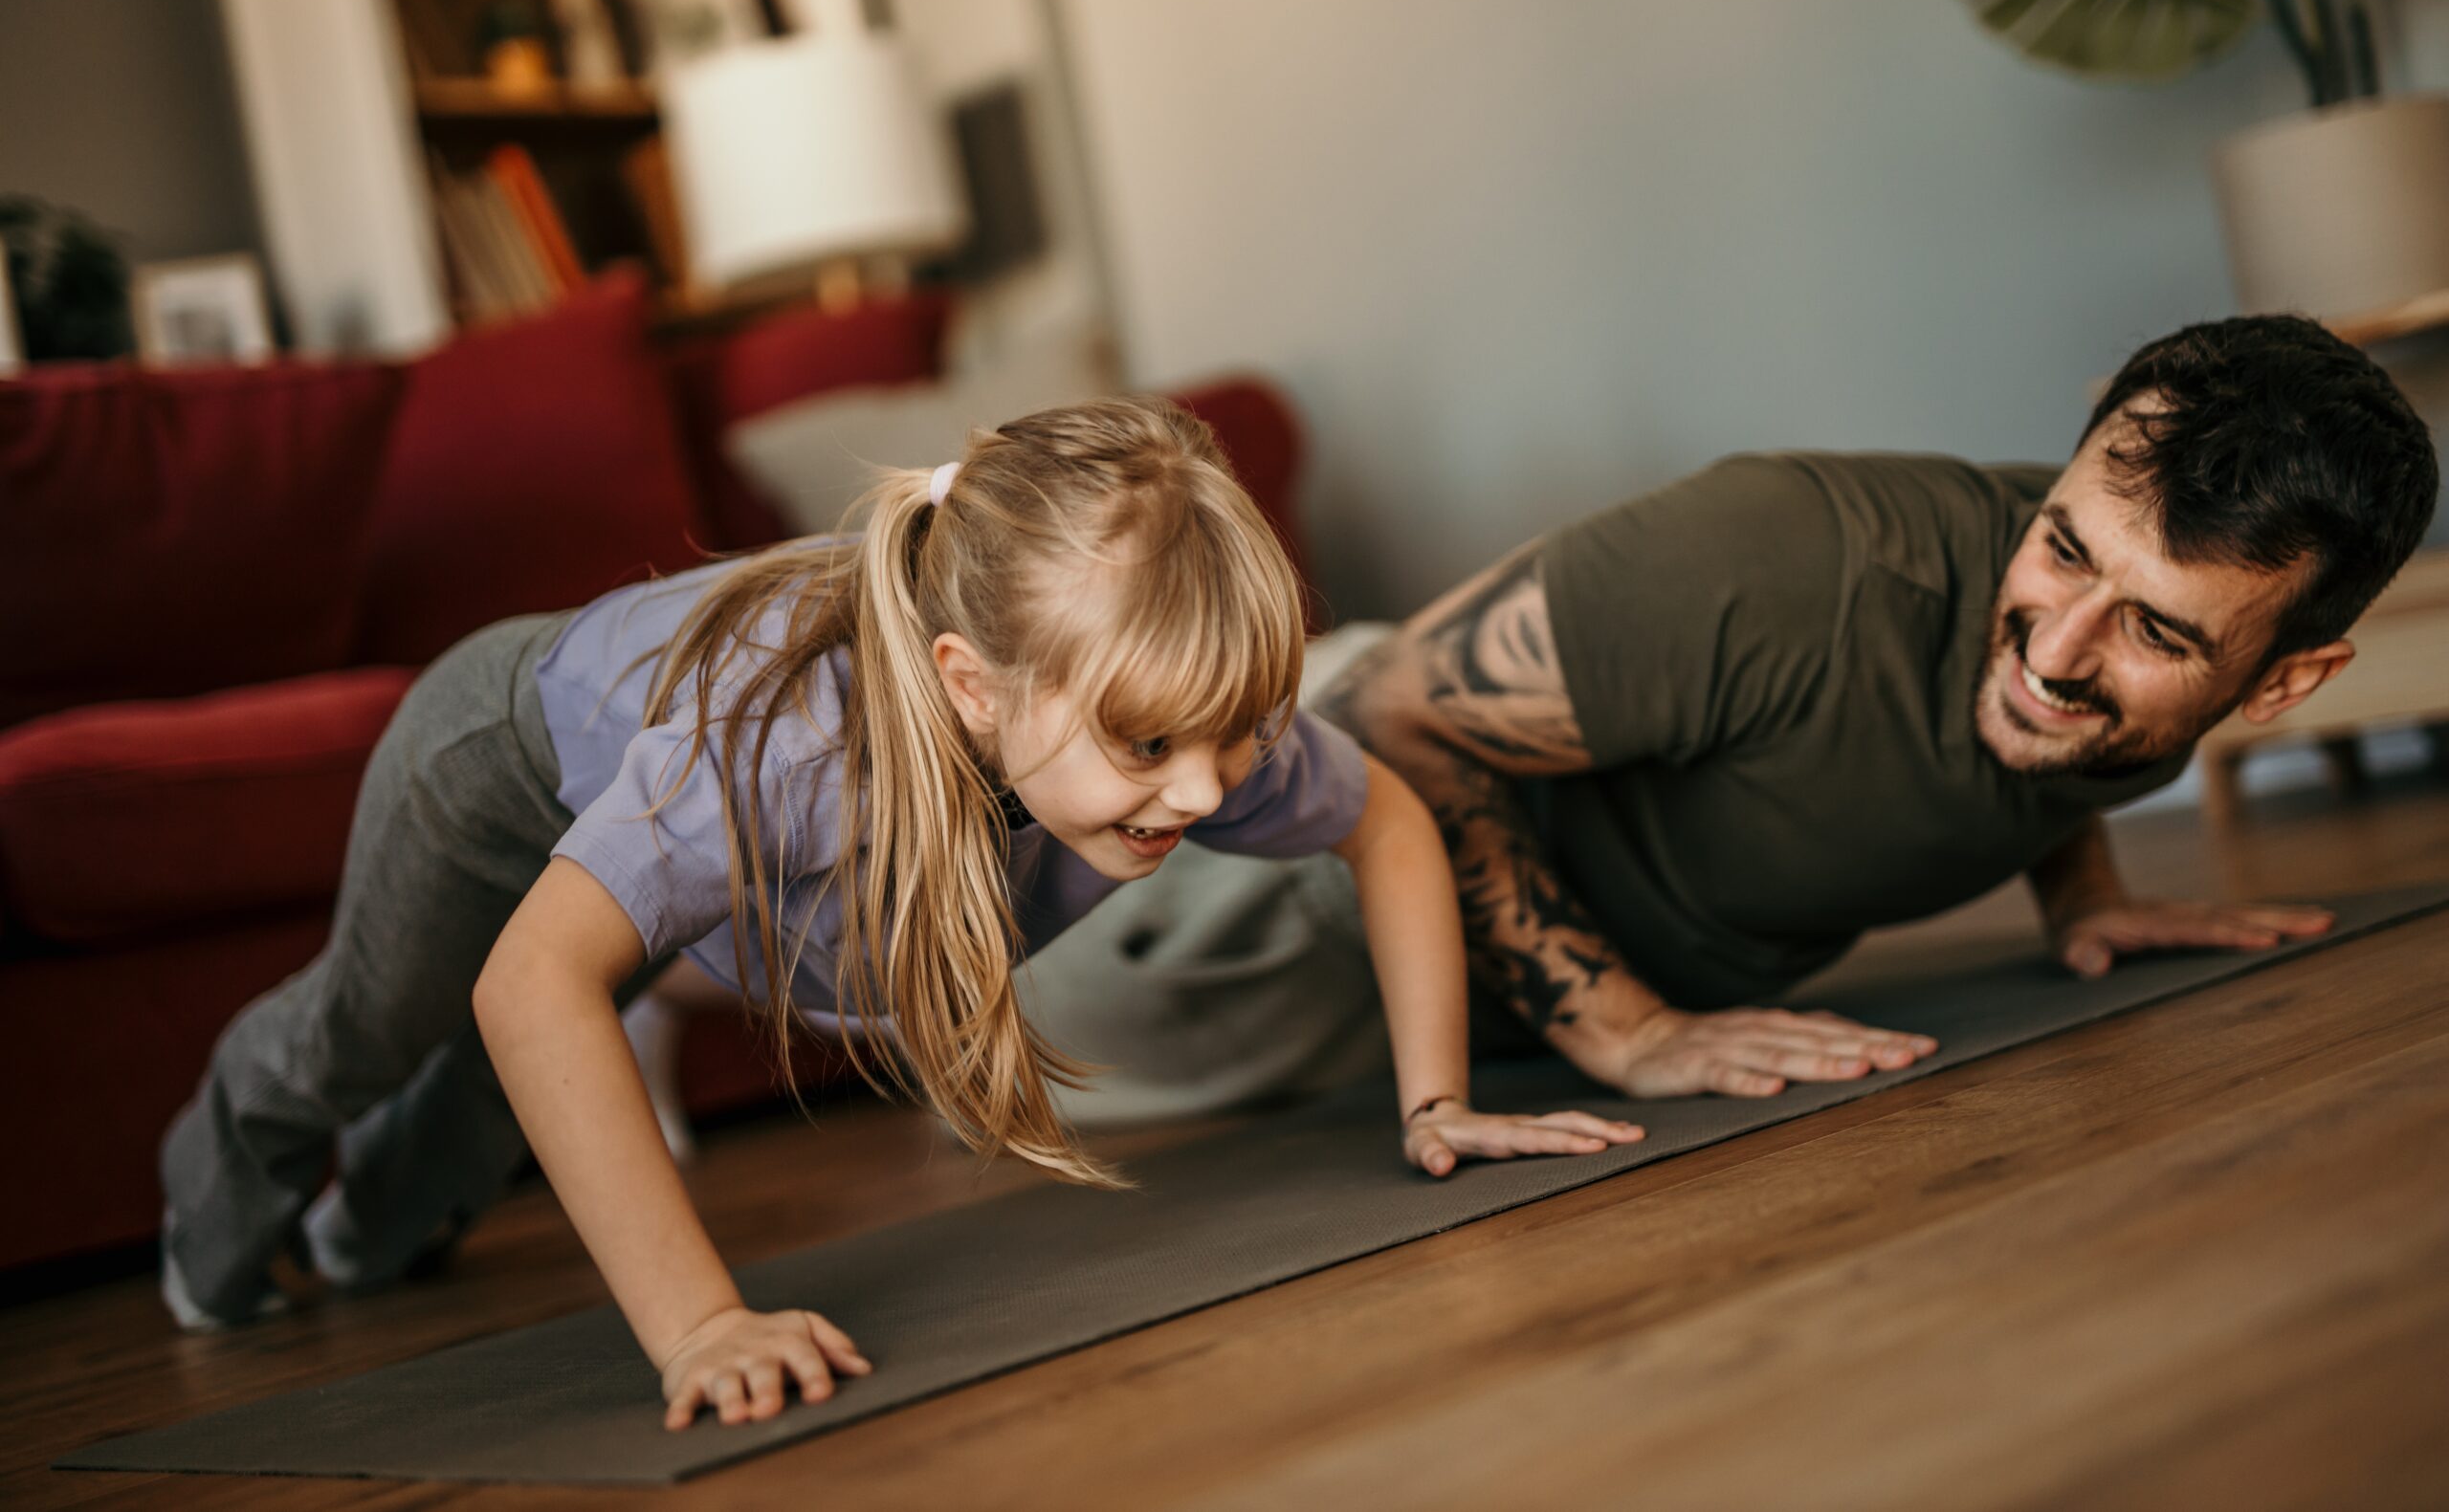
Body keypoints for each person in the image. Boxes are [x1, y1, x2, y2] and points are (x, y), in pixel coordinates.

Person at [157, 398, 1640, 1432]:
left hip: (711, 811)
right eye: (1147, 751)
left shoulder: (1181, 731)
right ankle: (211, 1217)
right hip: (501, 758)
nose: (1201, 794)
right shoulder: (797, 751)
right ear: (974, 685)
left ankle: (362, 1244)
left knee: (462, 1142)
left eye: (1234, 735)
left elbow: (1384, 818)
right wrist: (702, 1329)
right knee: (377, 1027)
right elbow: (525, 984)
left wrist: (1435, 1101)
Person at [1016, 315, 2438, 1115]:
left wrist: (2086, 893)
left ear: (2285, 681)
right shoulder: (1791, 554)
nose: (2056, 648)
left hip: (1481, 972)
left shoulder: (2114, 650)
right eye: (2061, 547)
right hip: (1236, 870)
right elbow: (1391, 722)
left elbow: (2050, 741)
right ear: (2056, 486)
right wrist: (1628, 1033)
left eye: (2153, 629)